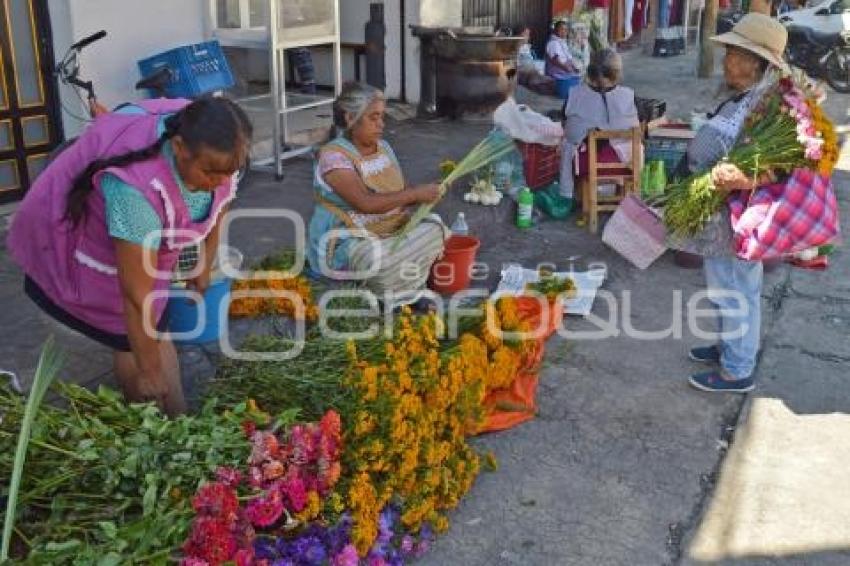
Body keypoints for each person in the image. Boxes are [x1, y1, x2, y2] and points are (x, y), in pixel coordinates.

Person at [7, 97, 252, 415]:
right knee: (128, 336)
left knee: (156, 330)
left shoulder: (219, 146)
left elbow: (222, 199)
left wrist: (207, 256)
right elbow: (136, 298)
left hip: (145, 243)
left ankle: (178, 422)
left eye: (228, 172)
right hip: (89, 244)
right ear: (178, 148)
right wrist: (149, 372)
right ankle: (156, 423)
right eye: (210, 173)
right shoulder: (134, 192)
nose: (218, 182)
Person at [676, 14, 789, 393]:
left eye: (732, 53)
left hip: (737, 214)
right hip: (720, 211)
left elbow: (781, 168)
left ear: (754, 62)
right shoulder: (752, 95)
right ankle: (731, 347)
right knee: (727, 285)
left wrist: (739, 179)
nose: (725, 60)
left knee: (735, 288)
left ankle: (737, 369)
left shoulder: (772, 105)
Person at [307, 83, 448, 307]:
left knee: (436, 227)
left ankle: (399, 288)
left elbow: (398, 189)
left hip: (389, 228)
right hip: (348, 239)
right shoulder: (333, 157)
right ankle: (389, 295)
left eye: (382, 117)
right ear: (350, 117)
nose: (381, 124)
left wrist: (424, 195)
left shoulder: (383, 147)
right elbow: (366, 204)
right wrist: (415, 194)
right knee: (375, 258)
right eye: (374, 118)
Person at [558, 48, 640, 206]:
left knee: (567, 145)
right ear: (617, 73)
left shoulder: (575, 94)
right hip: (626, 162)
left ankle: (574, 193)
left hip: (585, 164)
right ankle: (627, 195)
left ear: (590, 71)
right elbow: (637, 126)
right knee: (635, 142)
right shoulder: (628, 95)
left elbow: (567, 129)